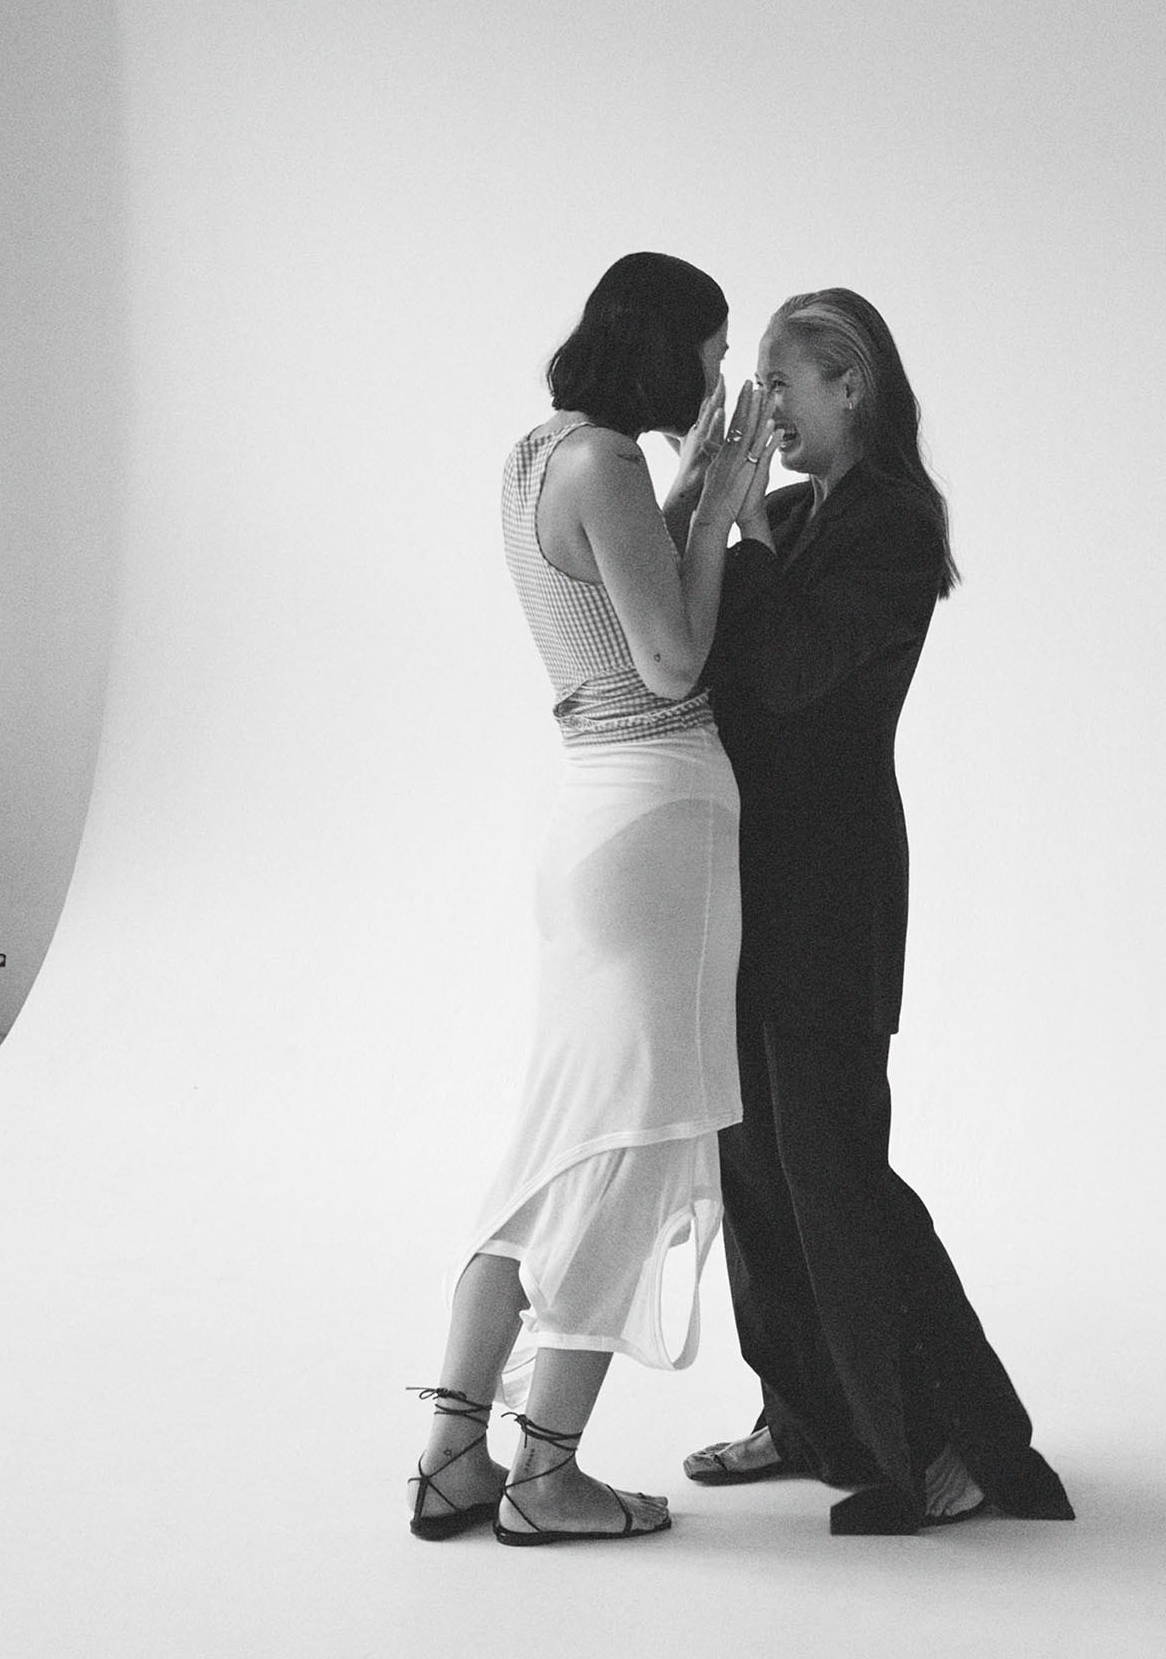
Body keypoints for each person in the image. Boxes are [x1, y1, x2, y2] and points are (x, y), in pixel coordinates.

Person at [680, 287, 1074, 1535]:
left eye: (781, 381)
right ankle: (808, 1415)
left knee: (834, 1167)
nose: (767, 407)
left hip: (830, 882)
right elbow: (708, 659)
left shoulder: (894, 521)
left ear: (850, 384)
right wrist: (711, 499)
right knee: (752, 1163)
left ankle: (957, 1444)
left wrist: (744, 534)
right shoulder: (795, 513)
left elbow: (793, 673)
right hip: (748, 870)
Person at [407, 252, 776, 1546]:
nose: (720, 374)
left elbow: (620, 605)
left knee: (555, 1143)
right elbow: (669, 660)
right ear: (668, 345)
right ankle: (546, 1474)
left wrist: (690, 492)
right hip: (660, 816)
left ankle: (454, 1454)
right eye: (714, 349)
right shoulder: (609, 462)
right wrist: (715, 512)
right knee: (630, 1142)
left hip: (590, 823)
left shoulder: (540, 453)